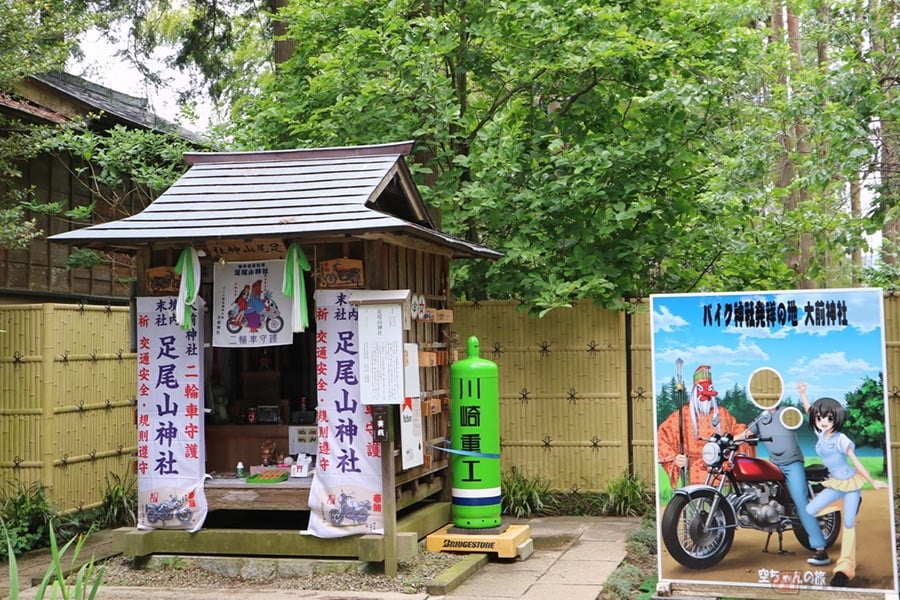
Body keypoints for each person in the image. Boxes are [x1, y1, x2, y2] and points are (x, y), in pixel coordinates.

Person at [799, 384, 889, 587]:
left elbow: (855, 460)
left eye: (829, 418)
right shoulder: (821, 434)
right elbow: (809, 411)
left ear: (836, 419)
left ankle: (845, 569)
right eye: (820, 418)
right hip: (836, 483)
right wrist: (802, 394)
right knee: (811, 509)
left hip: (850, 481)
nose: (824, 422)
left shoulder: (841, 439)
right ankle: (845, 505)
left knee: (849, 525)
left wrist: (872, 480)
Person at [733, 381, 830, 566]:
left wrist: (802, 394)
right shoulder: (761, 418)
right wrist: (728, 439)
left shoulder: (787, 412)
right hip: (774, 464)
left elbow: (810, 420)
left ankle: (820, 549)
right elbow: (746, 433)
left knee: (801, 502)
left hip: (792, 463)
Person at [657, 364, 755, 488]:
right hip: (694, 471)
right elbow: (663, 436)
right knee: (695, 502)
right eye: (702, 391)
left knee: (724, 503)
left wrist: (744, 433)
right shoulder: (682, 415)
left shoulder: (722, 413)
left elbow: (735, 430)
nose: (706, 398)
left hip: (721, 469)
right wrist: (675, 458)